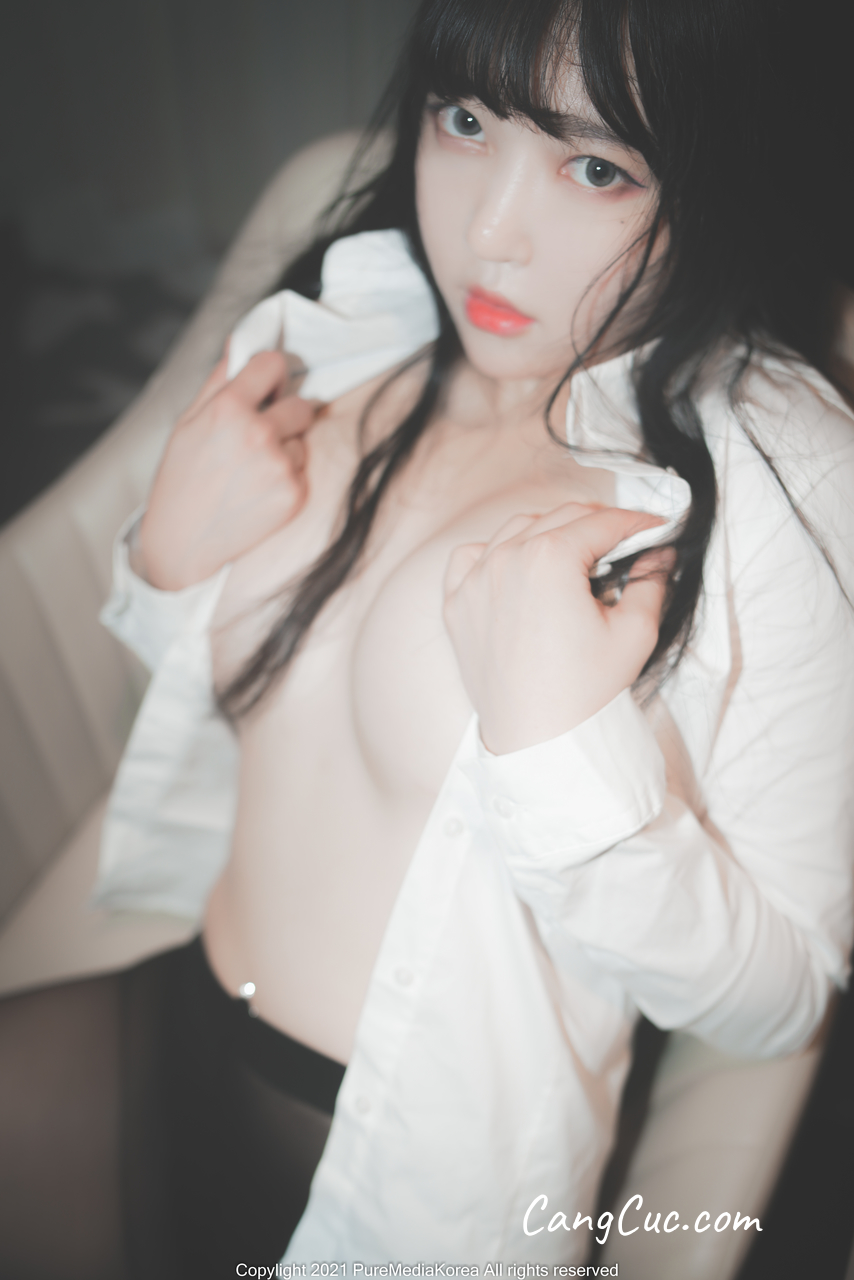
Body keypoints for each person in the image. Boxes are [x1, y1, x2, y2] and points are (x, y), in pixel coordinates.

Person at [1, 0, 853, 1275]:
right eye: (464, 120)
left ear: (713, 172)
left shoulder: (784, 468)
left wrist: (560, 753)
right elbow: (260, 719)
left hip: (404, 1176)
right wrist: (163, 562)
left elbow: (775, 1000)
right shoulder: (346, 330)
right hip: (172, 1006)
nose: (488, 233)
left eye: (595, 168)